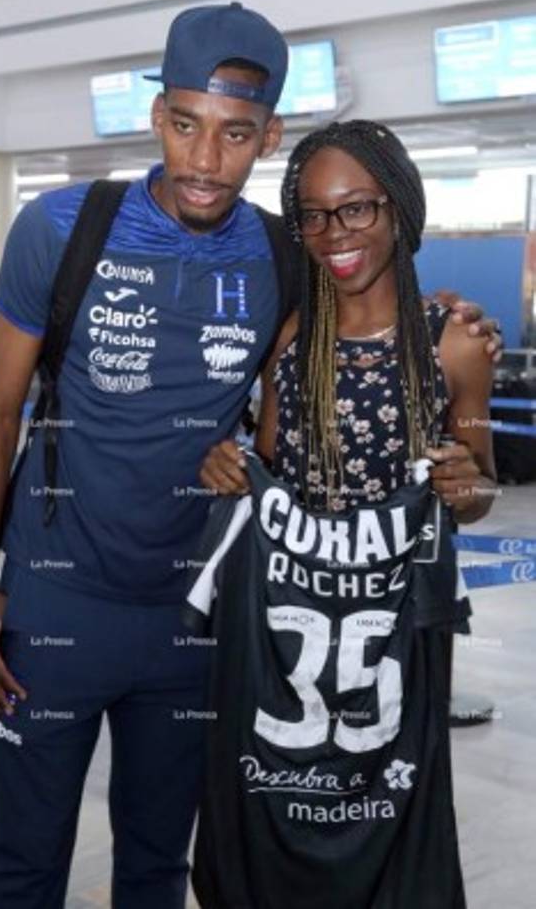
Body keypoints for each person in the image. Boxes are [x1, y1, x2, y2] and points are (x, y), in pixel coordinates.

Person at [0, 2, 499, 909]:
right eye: (185, 125)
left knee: (157, 864)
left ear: (267, 138)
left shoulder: (282, 255)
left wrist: (449, 325)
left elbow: (363, 294)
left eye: (235, 134)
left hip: (198, 618)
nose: (204, 160)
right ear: (157, 115)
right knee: (23, 860)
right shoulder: (61, 228)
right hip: (56, 603)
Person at [197, 120, 496, 908]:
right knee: (279, 804)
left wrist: (465, 485)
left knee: (390, 819)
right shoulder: (293, 336)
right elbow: (267, 471)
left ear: (398, 206)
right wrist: (228, 468)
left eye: (355, 208)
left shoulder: (454, 345)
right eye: (314, 215)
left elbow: (481, 490)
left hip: (398, 632)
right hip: (291, 627)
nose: (334, 233)